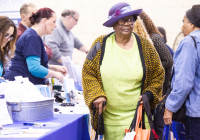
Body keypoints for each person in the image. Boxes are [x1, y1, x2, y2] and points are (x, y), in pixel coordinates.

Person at [82, 2, 165, 140]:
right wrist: (96, 94)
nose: (126, 23)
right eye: (122, 20)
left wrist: (149, 95)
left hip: (138, 118)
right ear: (113, 24)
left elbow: (158, 74)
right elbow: (88, 73)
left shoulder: (145, 46)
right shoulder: (100, 44)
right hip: (110, 120)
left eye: (130, 19)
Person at [164, 5, 200, 140]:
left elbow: (184, 83)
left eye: (184, 22)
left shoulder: (190, 42)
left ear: (192, 24)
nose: (182, 27)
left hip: (196, 115)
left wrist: (170, 108)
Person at [3, 8, 67, 85]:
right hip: (19, 83)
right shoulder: (32, 37)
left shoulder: (33, 35)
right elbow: (35, 68)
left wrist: (53, 68)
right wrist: (56, 74)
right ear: (45, 20)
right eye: (54, 22)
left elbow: (28, 63)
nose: (56, 25)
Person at [137, 11, 173, 139]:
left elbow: (168, 60)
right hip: (157, 90)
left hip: (162, 89)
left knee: (160, 126)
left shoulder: (154, 38)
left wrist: (152, 70)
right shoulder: (147, 39)